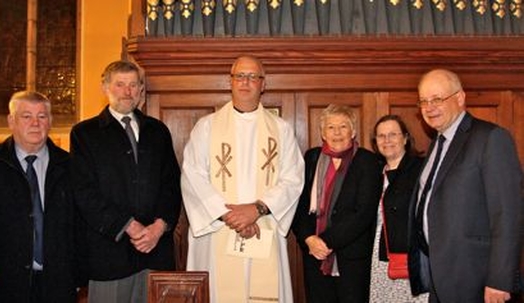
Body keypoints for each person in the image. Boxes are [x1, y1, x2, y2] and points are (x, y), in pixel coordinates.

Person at [181, 55, 304, 303]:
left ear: (263, 84)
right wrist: (231, 216)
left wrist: (256, 209)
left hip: (264, 226)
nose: (245, 82)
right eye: (240, 76)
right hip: (218, 230)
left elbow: (293, 179)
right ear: (230, 81)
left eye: (252, 77)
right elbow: (193, 176)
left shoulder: (280, 129)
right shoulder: (207, 127)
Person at [70, 60, 181, 303]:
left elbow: (171, 184)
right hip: (110, 252)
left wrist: (159, 227)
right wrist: (129, 226)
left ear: (141, 89)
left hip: (155, 251)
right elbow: (84, 193)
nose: (127, 91)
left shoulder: (158, 131)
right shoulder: (85, 134)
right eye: (120, 84)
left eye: (133, 85)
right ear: (105, 87)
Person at [408, 69, 523, 302]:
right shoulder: (436, 144)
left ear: (460, 98)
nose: (429, 107)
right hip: (440, 278)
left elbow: (508, 214)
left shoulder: (490, 138)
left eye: (437, 99)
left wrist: (499, 280)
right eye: (424, 101)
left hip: (475, 279)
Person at [0, 91, 78, 302]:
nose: (35, 123)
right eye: (26, 116)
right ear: (11, 121)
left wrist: (78, 274)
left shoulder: (72, 166)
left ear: (50, 122)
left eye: (42, 116)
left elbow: (79, 225)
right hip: (3, 283)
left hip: (58, 282)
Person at [291, 104, 382, 303]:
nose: (337, 133)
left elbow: (363, 213)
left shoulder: (368, 161)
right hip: (314, 255)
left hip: (351, 258)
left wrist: (326, 241)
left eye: (343, 126)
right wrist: (308, 239)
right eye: (331, 127)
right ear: (323, 133)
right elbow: (299, 204)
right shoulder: (312, 158)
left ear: (353, 131)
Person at [369, 115, 427, 302]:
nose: (387, 140)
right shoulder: (374, 172)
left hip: (411, 256)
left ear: (405, 138)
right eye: (381, 136)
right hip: (381, 256)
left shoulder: (420, 169)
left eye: (393, 134)